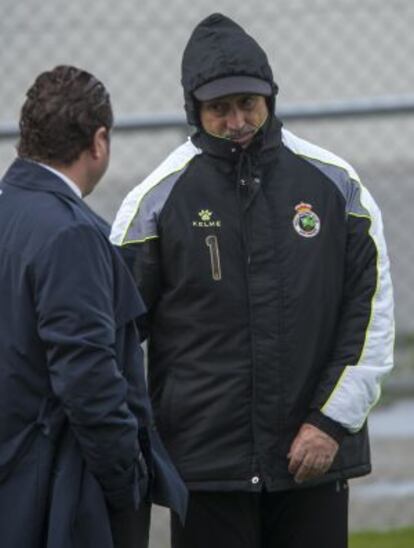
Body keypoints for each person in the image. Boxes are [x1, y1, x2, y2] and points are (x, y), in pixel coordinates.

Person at [111, 13, 394, 548]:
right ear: (194, 108)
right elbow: (113, 332)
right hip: (206, 467)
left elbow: (371, 316)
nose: (237, 120)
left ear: (271, 98)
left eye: (249, 104)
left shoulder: (337, 185)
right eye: (219, 109)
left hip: (313, 459)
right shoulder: (155, 200)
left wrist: (330, 424)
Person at [0, 65, 186, 548]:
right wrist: (127, 478)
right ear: (99, 140)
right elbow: (87, 378)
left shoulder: (12, 210)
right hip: (58, 495)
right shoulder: (70, 233)